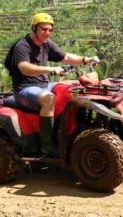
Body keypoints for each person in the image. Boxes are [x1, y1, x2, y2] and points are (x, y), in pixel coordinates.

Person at [11, 13, 99, 157]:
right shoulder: (22, 45)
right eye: (44, 29)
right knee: (49, 99)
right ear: (34, 28)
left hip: (44, 84)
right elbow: (24, 68)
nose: (47, 33)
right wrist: (50, 69)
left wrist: (86, 59)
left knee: (73, 89)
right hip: (24, 89)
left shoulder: (46, 43)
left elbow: (66, 57)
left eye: (50, 30)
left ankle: (71, 129)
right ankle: (48, 144)